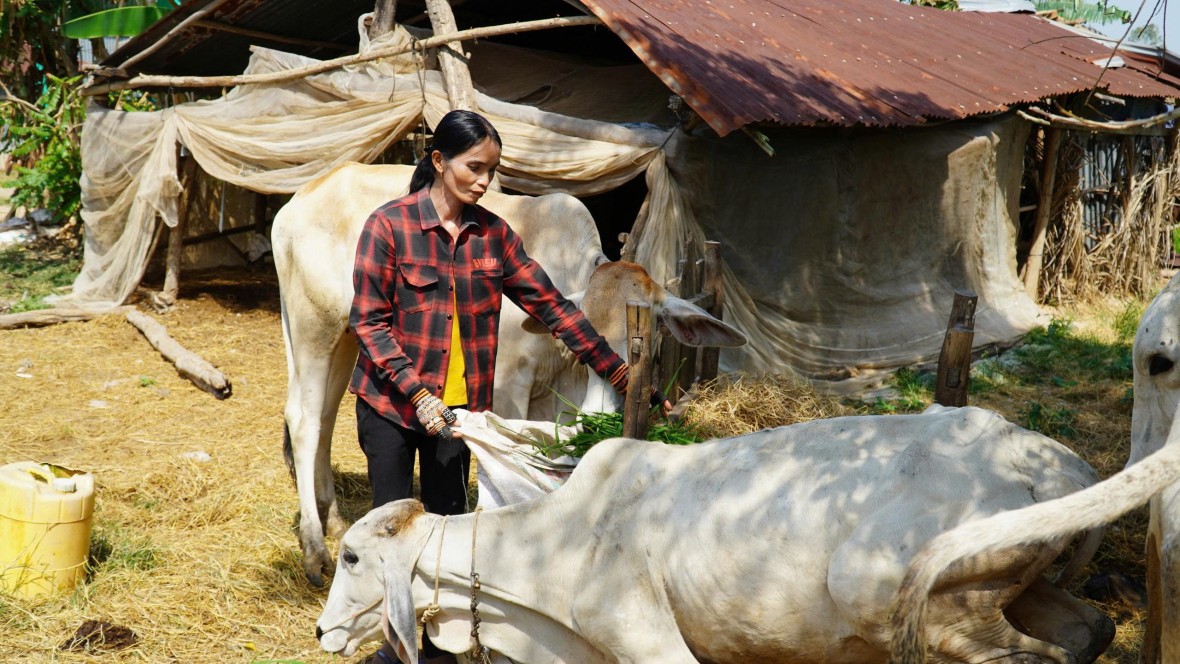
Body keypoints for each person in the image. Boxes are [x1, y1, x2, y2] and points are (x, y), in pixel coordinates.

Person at [348, 109, 655, 664]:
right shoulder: (388, 226)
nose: (484, 181)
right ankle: (394, 652)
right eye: (473, 167)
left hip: (459, 412)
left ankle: (440, 653)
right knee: (391, 530)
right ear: (439, 161)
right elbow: (368, 322)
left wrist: (620, 374)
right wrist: (417, 393)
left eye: (492, 170)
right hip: (391, 405)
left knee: (446, 533)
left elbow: (555, 308)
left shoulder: (493, 237)